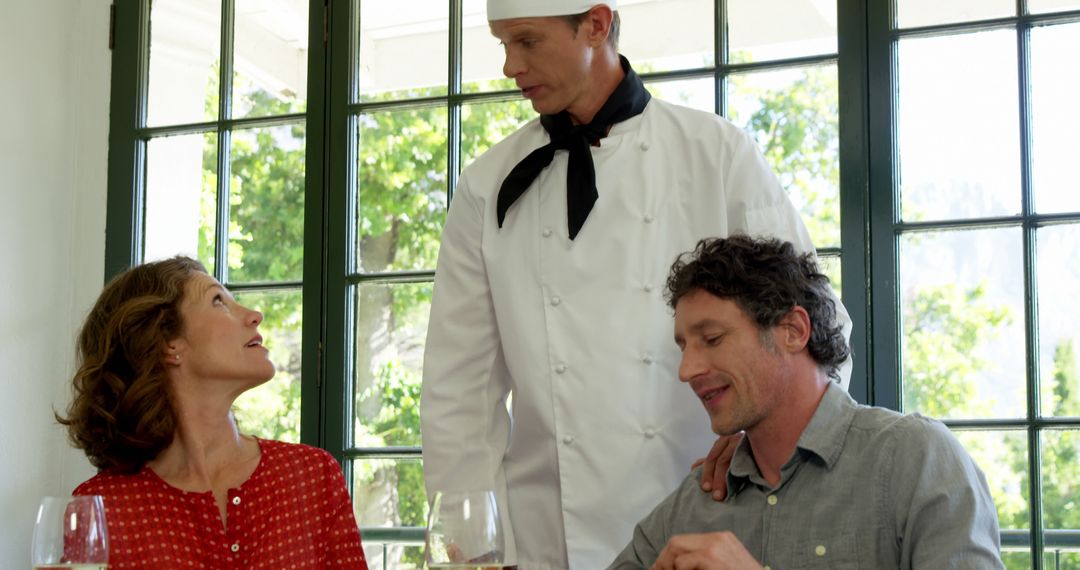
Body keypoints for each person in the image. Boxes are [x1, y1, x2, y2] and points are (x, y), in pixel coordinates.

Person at [420, 0, 854, 567]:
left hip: (708, 512)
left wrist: (768, 444)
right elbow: (458, 389)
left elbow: (814, 323)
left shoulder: (716, 153)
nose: (510, 67)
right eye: (503, 45)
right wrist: (470, 545)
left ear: (596, 25)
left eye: (527, 41)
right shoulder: (487, 186)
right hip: (548, 540)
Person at [607, 235, 1004, 569]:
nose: (687, 370)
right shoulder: (695, 502)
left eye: (712, 339)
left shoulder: (916, 459)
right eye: (684, 347)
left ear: (793, 330)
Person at [57, 256, 368, 569]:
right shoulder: (102, 508)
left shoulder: (312, 476)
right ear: (168, 343)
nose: (255, 315)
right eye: (218, 301)